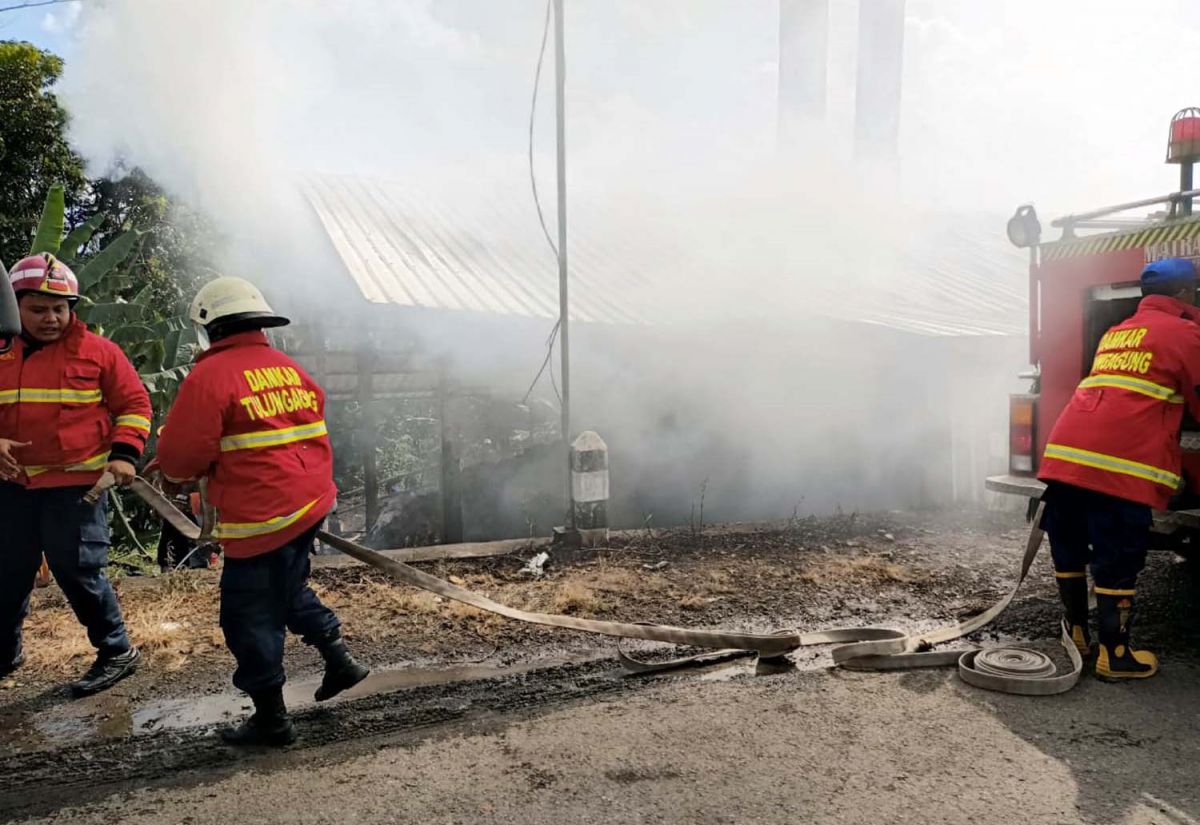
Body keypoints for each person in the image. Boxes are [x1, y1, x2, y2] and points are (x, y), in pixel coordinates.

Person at [156, 276, 368, 746]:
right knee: (287, 588)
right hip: (307, 503)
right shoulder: (288, 368)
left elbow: (181, 461)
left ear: (208, 330)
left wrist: (176, 456)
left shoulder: (209, 377)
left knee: (247, 616)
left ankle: (272, 721)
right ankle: (339, 660)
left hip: (263, 517)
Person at [1038, 257, 1200, 680]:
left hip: (1066, 455)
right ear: (1184, 293)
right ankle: (1116, 655)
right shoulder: (1185, 332)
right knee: (1117, 553)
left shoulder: (1117, 330)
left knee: (1070, 542)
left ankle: (1075, 635)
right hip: (1117, 464)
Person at [0, 254, 151, 695]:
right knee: (6, 574)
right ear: (13, 306)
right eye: (38, 308)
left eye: (60, 308)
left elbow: (135, 406)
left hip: (76, 489)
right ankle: (5, 654)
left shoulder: (99, 352)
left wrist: (124, 455)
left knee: (78, 572)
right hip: (11, 487)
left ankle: (116, 651)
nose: (51, 318)